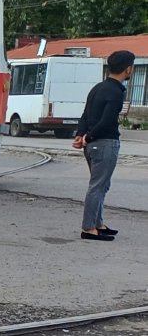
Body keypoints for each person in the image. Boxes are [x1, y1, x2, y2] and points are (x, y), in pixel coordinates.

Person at [73, 50, 136, 241]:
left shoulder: (98, 88)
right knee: (98, 187)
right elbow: (108, 120)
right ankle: (89, 228)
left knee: (101, 185)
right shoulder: (116, 92)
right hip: (104, 143)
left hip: (91, 145)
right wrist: (89, 137)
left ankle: (98, 223)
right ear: (128, 68)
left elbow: (86, 114)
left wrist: (80, 135)